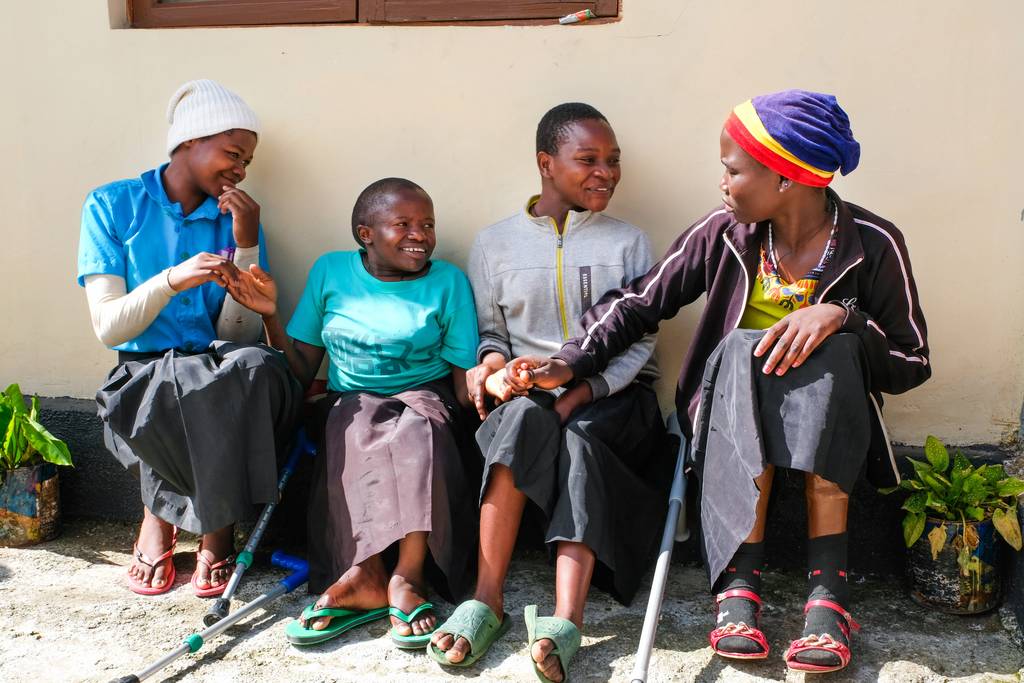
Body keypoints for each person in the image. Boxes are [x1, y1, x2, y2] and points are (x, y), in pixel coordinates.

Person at [506, 90, 930, 674]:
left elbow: (912, 362)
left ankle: (828, 597)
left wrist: (843, 317)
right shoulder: (724, 232)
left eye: (732, 170)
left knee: (834, 353)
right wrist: (571, 360)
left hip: (829, 421)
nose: (723, 184)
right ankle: (739, 586)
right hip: (734, 414)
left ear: (785, 178)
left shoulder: (873, 244)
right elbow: (638, 303)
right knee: (738, 348)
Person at [428, 103, 669, 683]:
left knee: (580, 439)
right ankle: (487, 600)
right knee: (519, 422)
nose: (605, 173)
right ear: (546, 164)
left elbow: (643, 341)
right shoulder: (495, 245)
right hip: (532, 396)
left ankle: (567, 619)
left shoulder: (629, 243)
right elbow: (491, 335)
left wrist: (582, 390)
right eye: (587, 160)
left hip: (615, 398)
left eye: (613, 161)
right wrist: (502, 370)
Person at [228, 178, 480, 649]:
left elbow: (465, 381)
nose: (420, 235)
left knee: (417, 428)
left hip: (425, 394)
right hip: (353, 398)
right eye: (402, 224)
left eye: (427, 225)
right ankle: (363, 574)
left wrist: (493, 383)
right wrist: (269, 317)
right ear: (366, 234)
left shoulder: (448, 281)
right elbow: (301, 368)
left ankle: (407, 575)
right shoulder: (330, 271)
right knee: (357, 424)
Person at [78, 79, 301, 598]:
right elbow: (110, 326)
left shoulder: (236, 222)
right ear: (189, 142)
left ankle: (184, 521)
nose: (241, 170)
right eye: (232, 153)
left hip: (217, 367)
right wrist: (170, 279)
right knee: (180, 381)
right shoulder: (113, 206)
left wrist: (245, 246)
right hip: (142, 372)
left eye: (246, 160)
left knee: (246, 368)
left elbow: (234, 333)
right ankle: (193, 523)